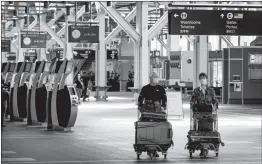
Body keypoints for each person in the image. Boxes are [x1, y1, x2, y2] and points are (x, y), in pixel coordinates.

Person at [190, 72, 219, 157]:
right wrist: (193, 109)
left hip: (209, 114)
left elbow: (215, 101)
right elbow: (192, 101)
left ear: (207, 80)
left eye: (204, 78)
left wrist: (215, 108)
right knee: (198, 129)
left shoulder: (211, 91)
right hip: (198, 114)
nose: (203, 80)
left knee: (209, 128)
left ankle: (207, 144)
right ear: (199, 80)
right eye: (201, 78)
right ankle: (200, 144)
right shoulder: (196, 91)